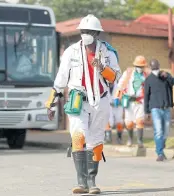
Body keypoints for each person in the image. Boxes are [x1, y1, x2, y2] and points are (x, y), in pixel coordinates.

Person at [45, 14, 121, 194]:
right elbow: (61, 78)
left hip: (100, 101)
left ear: (97, 33)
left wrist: (102, 67)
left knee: (95, 142)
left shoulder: (107, 52)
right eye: (83, 31)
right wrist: (51, 102)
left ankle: (92, 181)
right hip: (78, 101)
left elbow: (115, 77)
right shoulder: (71, 52)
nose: (86, 34)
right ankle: (81, 182)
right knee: (78, 137)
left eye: (89, 31)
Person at [144, 59, 174, 161]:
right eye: (153, 66)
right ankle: (160, 153)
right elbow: (146, 96)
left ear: (159, 66)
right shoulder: (149, 79)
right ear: (150, 67)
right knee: (159, 131)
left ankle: (161, 145)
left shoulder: (165, 76)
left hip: (166, 108)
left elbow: (173, 82)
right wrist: (146, 111)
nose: (155, 68)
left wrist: (168, 76)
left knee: (165, 131)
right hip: (155, 108)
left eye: (156, 66)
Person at [116, 56, 148, 147]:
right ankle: (130, 139)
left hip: (140, 101)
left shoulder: (146, 75)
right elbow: (120, 85)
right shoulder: (128, 73)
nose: (140, 68)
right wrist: (118, 96)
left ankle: (139, 141)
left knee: (140, 121)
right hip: (129, 101)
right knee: (129, 123)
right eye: (138, 66)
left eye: (142, 66)